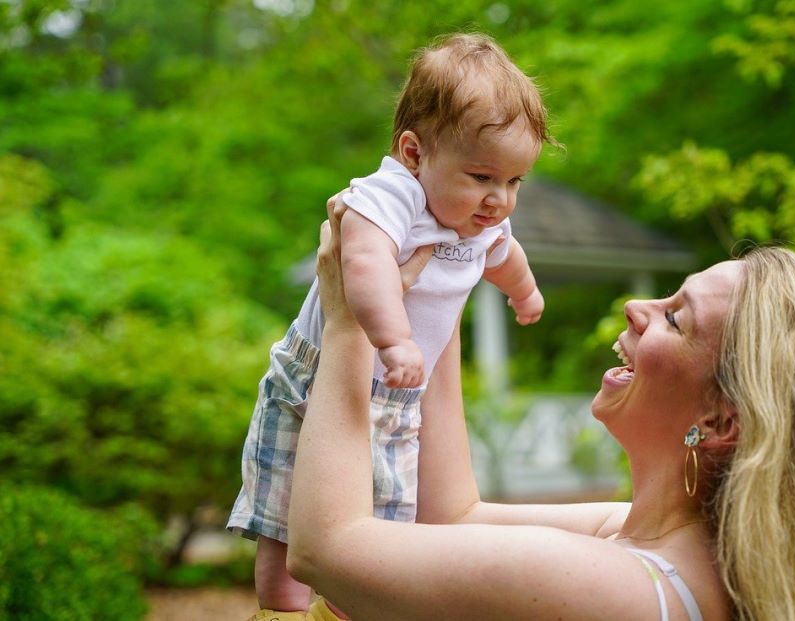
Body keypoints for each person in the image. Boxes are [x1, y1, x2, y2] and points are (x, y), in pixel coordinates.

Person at [285, 198, 795, 620]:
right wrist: (446, 275)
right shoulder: (648, 541)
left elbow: (325, 547)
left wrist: (349, 319)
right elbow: (452, 513)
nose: (639, 309)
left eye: (676, 318)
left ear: (724, 421)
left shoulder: (619, 587)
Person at [227, 33, 553, 619]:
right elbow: (364, 264)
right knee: (286, 519)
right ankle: (278, 612)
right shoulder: (393, 195)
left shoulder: (482, 224)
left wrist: (525, 295)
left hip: (397, 396)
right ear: (413, 152)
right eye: (482, 177)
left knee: (377, 535)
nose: (499, 200)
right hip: (320, 379)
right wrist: (394, 338)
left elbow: (508, 257)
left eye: (513, 182)